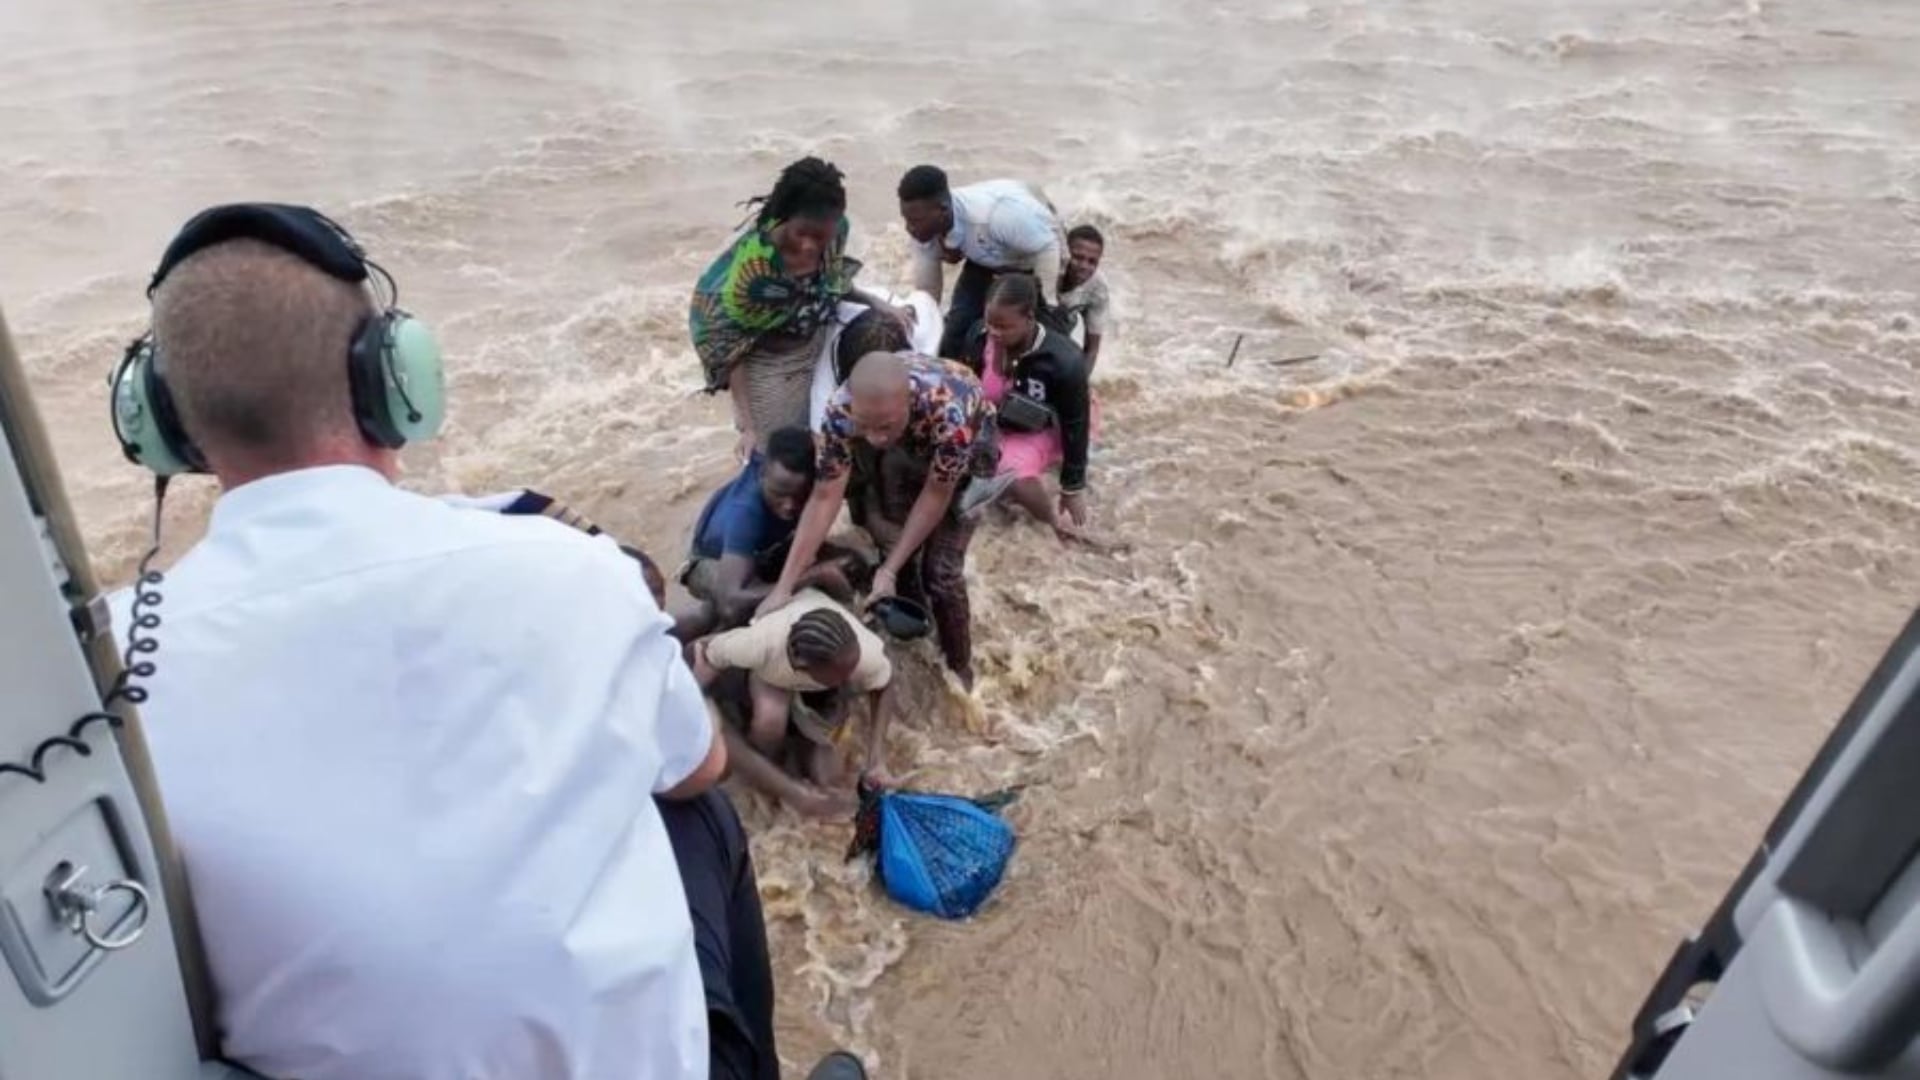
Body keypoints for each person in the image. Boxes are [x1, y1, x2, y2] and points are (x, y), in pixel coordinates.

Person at [106, 203, 818, 1080]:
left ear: (160, 425)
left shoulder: (106, 667)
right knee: (695, 811)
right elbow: (700, 766)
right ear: (393, 377)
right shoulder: (569, 567)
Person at [763, 351, 997, 687]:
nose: (873, 439)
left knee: (941, 573)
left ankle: (959, 666)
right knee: (894, 542)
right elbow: (826, 495)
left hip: (969, 441)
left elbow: (936, 494)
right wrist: (784, 587)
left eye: (884, 427)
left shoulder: (950, 415)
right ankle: (914, 624)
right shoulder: (841, 410)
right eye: (864, 427)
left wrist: (887, 571)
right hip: (911, 435)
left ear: (907, 404)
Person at [691, 157, 910, 459]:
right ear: (784, 218)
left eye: (819, 237)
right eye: (801, 234)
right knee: (778, 453)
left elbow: (830, 282)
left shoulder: (837, 230)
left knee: (882, 335)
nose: (809, 246)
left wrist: (877, 303)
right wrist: (748, 425)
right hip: (770, 358)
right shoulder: (753, 273)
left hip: (817, 329)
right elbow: (733, 349)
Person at [691, 590, 898, 817]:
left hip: (819, 684)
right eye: (841, 675)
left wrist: (877, 760)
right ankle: (770, 775)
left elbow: (884, 684)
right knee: (769, 723)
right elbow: (702, 649)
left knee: (830, 779)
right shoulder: (760, 643)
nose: (850, 678)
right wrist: (698, 686)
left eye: (851, 670)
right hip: (770, 673)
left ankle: (798, 752)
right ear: (800, 665)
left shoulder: (862, 654)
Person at [963, 274, 1102, 541]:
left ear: (1029, 317)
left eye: (1004, 327)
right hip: (1000, 417)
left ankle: (1056, 525)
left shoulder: (1063, 360)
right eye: (990, 323)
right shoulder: (979, 337)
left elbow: (1075, 422)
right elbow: (965, 384)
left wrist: (1072, 487)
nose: (994, 332)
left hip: (1052, 424)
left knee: (1010, 474)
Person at [680, 425, 850, 637]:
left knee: (851, 561)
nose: (789, 506)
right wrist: (812, 577)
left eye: (800, 496)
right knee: (739, 612)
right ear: (762, 475)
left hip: (766, 550)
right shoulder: (745, 511)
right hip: (713, 562)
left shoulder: (821, 484)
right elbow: (731, 603)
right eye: (779, 494)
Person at [897, 164, 1066, 359]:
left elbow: (1047, 247)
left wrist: (1046, 302)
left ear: (943, 210)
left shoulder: (995, 217)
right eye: (906, 219)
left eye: (915, 221)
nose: (909, 228)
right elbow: (928, 294)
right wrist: (912, 317)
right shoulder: (924, 231)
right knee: (955, 334)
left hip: (1038, 252)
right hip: (985, 260)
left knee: (1039, 333)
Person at [1055, 224, 1112, 371]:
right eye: (1078, 257)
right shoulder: (1047, 268)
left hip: (1060, 332)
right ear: (1065, 253)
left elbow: (1092, 349)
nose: (1084, 266)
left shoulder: (1098, 287)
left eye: (1092, 262)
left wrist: (1081, 381)